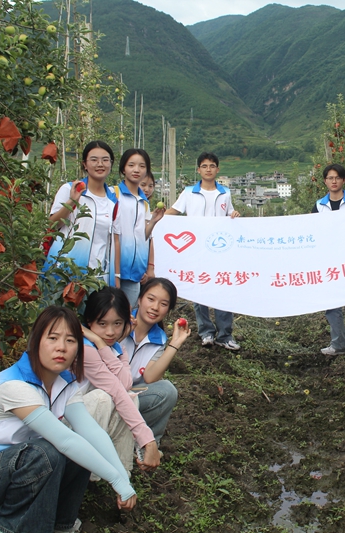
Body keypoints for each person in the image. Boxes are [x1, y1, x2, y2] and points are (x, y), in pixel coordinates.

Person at [0, 307, 136, 533]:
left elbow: (92, 433)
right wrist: (115, 480)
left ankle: (62, 524)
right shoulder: (14, 385)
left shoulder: (64, 384)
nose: (61, 347)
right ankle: (1, 527)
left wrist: (123, 481)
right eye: (53, 338)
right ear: (35, 342)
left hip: (14, 475)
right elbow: (65, 441)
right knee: (47, 451)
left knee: (77, 447)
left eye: (70, 340)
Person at [81, 287, 162, 474]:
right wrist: (147, 440)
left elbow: (126, 383)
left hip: (88, 418)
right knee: (104, 397)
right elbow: (117, 389)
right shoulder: (85, 349)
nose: (110, 332)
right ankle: (92, 471)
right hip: (66, 422)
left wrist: (101, 344)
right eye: (102, 324)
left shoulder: (116, 348)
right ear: (89, 322)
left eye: (117, 323)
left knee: (130, 397)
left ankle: (121, 474)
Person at [166, 152, 241, 350]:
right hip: (196, 250)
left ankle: (225, 335)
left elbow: (229, 213)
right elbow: (174, 211)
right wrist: (156, 219)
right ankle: (206, 332)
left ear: (218, 169)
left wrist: (234, 214)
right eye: (205, 166)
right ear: (198, 170)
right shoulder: (189, 193)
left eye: (212, 166)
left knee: (223, 288)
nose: (208, 169)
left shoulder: (225, 193)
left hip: (220, 250)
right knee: (199, 291)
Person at [119, 278, 189, 444]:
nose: (155, 307)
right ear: (139, 299)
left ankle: (145, 444)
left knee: (167, 391)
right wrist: (121, 334)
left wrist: (175, 343)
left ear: (168, 310)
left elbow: (150, 377)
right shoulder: (119, 322)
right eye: (151, 299)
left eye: (163, 304)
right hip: (103, 391)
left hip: (129, 395)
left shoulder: (159, 339)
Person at [46, 140, 121, 287]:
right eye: (94, 160)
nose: (100, 164)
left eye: (105, 160)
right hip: (63, 273)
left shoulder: (113, 200)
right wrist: (72, 201)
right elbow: (52, 224)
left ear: (111, 164)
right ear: (85, 164)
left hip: (96, 277)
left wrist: (115, 278)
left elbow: (114, 241)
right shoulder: (69, 189)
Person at [312, 163, 345, 355]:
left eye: (337, 178)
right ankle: (337, 343)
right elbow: (313, 230)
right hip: (327, 259)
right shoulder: (319, 206)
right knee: (331, 301)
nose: (334, 181)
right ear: (325, 181)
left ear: (344, 180)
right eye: (330, 178)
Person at [114, 149, 165, 307]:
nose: (136, 170)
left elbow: (143, 237)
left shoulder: (144, 202)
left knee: (128, 315)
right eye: (131, 165)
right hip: (114, 271)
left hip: (135, 274)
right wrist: (115, 273)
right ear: (123, 168)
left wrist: (153, 222)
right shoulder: (113, 194)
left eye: (142, 166)